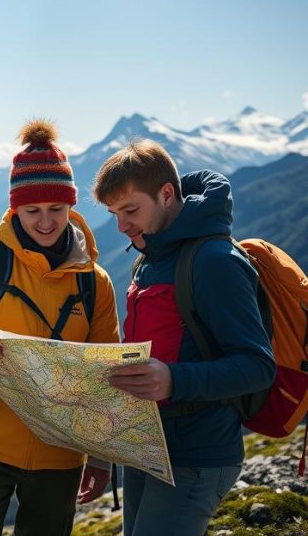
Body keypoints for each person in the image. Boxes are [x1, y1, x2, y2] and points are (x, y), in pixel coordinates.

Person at [0, 119, 120, 536]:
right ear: (15, 209)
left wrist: (101, 459)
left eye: (57, 210)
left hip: (62, 454)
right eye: (32, 211)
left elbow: (107, 374)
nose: (45, 222)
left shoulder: (94, 282)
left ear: (72, 208)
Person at [94, 139, 276, 536]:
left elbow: (258, 365)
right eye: (114, 214)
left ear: (166, 194)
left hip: (197, 454)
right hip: (149, 446)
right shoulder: (151, 257)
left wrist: (174, 380)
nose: (122, 226)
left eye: (130, 210)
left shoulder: (214, 261)